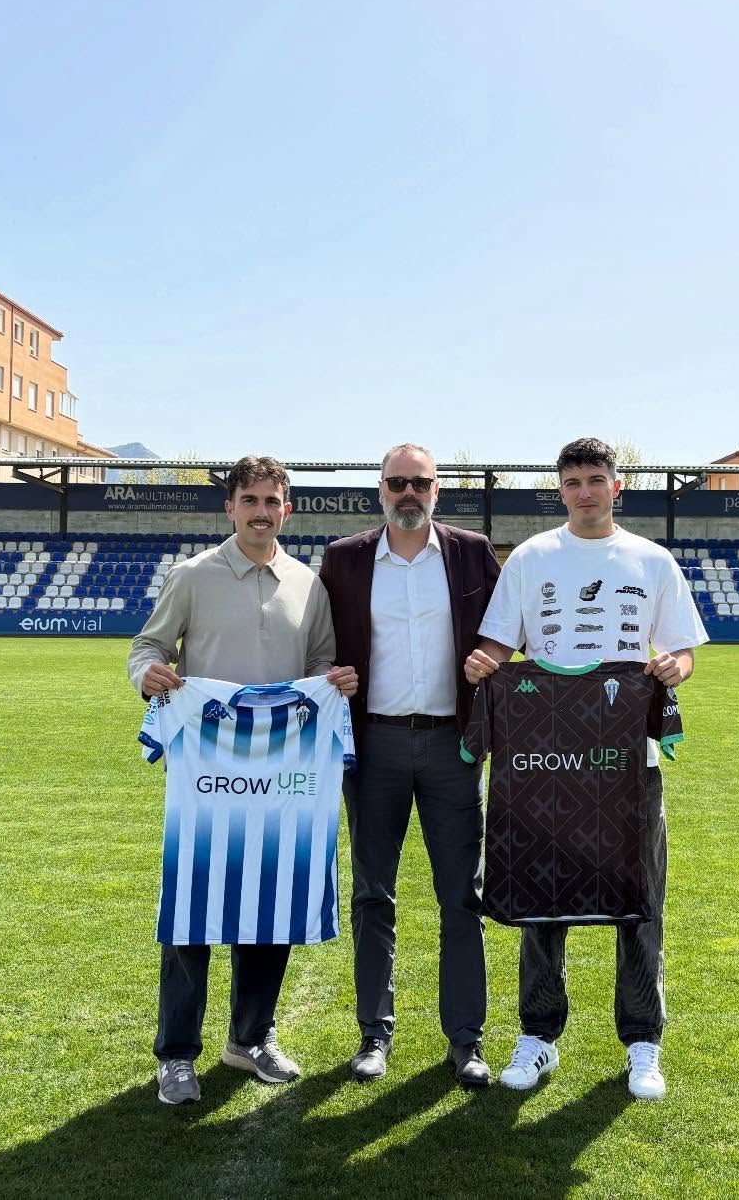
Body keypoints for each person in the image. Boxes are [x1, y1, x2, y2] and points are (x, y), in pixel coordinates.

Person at [464, 436, 707, 1100]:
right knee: (541, 898)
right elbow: (497, 642)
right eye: (573, 482)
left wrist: (668, 668)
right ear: (561, 490)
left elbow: (682, 651)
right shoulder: (533, 558)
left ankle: (643, 1044)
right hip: (543, 760)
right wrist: (482, 663)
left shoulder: (651, 561)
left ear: (616, 486)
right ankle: (539, 1036)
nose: (585, 491)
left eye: (596, 479)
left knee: (639, 900)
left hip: (628, 760)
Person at [128, 454, 358, 1106]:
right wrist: (147, 674)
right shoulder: (193, 576)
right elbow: (148, 647)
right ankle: (177, 1054)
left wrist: (334, 685)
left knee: (270, 908)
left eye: (271, 501)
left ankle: (250, 1038)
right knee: (192, 918)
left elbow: (319, 668)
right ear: (229, 507)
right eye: (249, 500)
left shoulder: (309, 586)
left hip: (284, 778)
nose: (261, 512)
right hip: (207, 776)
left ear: (288, 509)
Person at [319, 443, 502, 1087]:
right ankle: (375, 1034)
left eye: (419, 482)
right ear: (379, 491)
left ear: (436, 489)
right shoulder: (343, 559)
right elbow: (317, 644)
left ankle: (467, 1040)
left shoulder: (472, 551)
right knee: (373, 894)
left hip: (454, 748)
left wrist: (491, 658)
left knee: (462, 895)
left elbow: (507, 631)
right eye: (396, 482)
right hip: (373, 748)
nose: (408, 492)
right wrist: (326, 673)